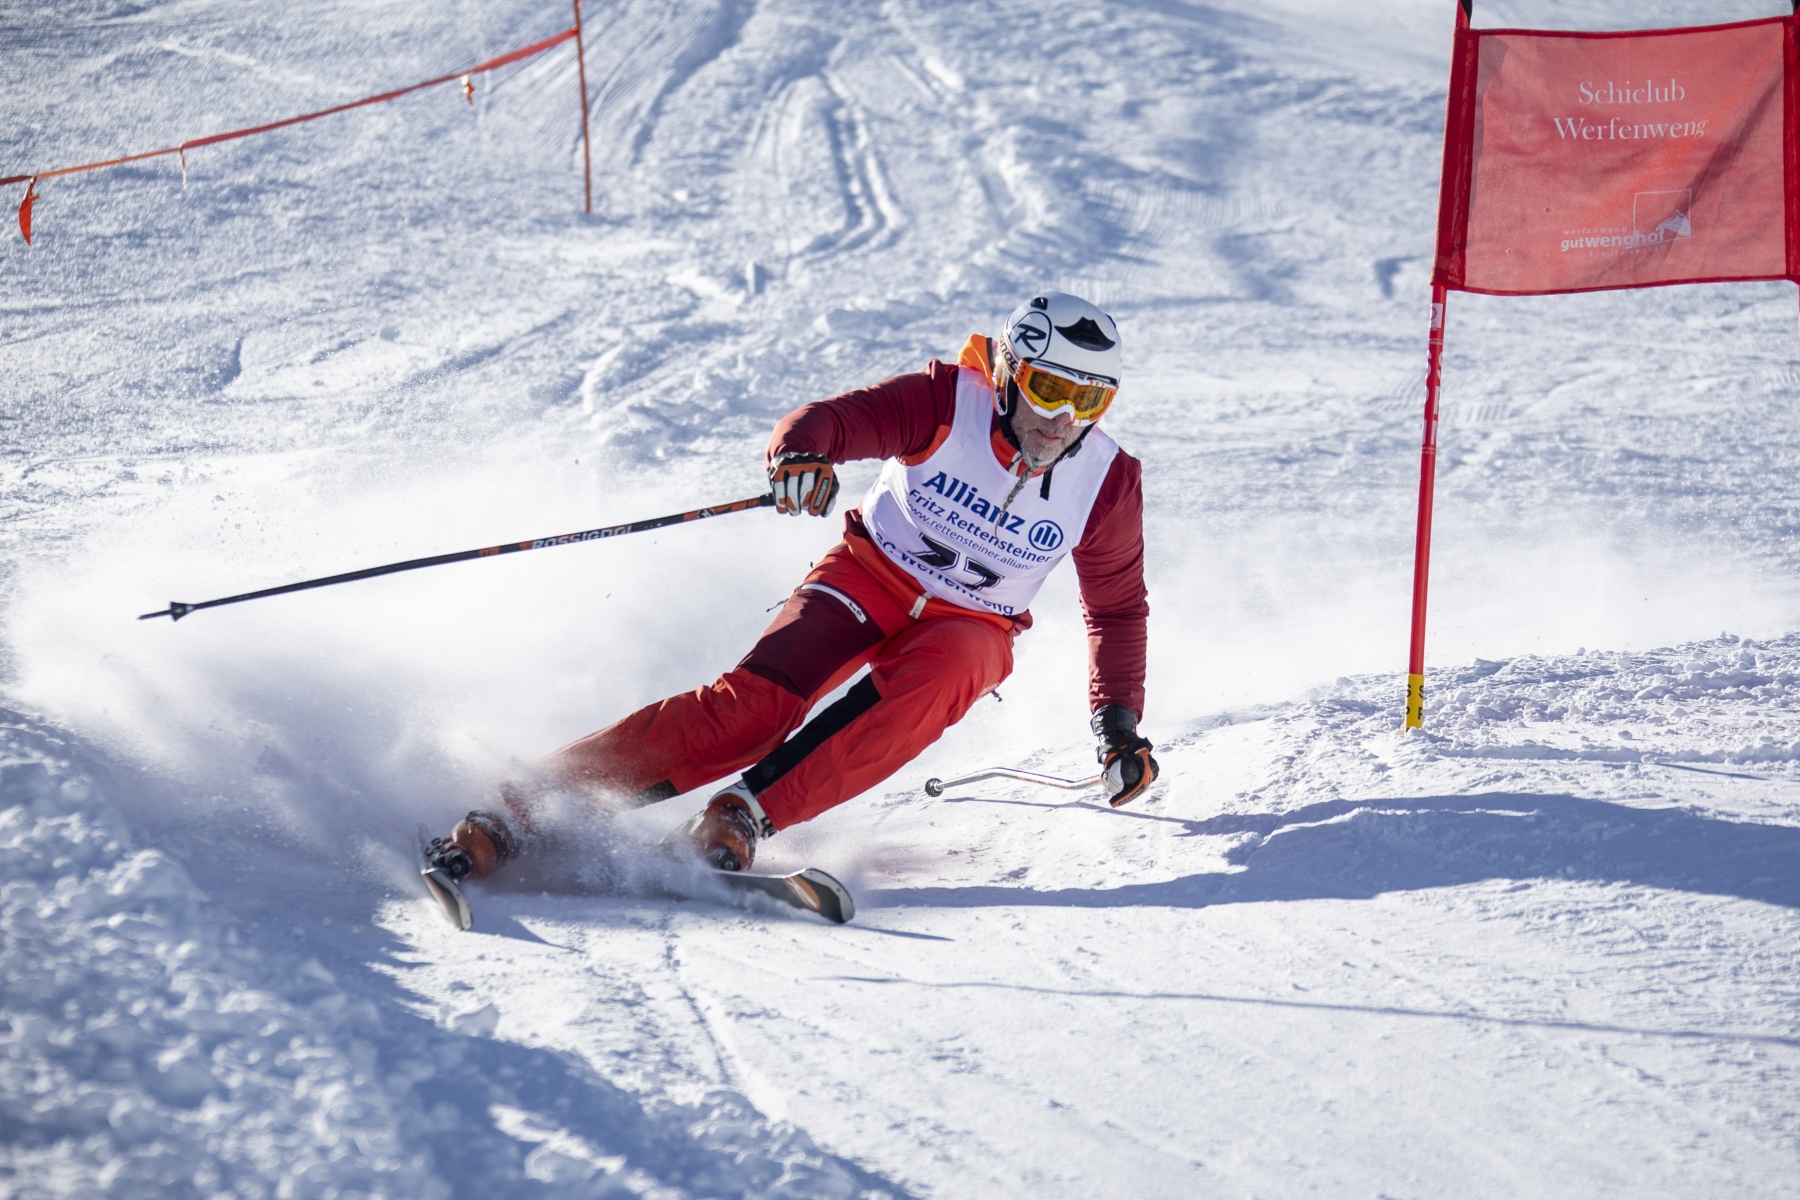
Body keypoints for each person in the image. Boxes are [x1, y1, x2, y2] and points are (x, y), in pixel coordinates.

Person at [426, 291, 1156, 884]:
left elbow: (1117, 610)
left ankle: (741, 816)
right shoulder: (945, 403)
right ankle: (524, 807)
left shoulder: (1105, 482)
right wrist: (801, 456)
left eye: (1089, 401)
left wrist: (1117, 726)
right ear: (1009, 373)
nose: (1063, 420)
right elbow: (829, 422)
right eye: (1050, 390)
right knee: (750, 713)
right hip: (869, 578)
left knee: (962, 662)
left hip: (972, 624)